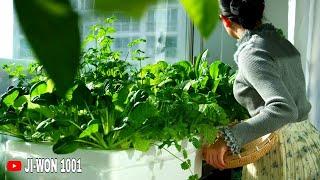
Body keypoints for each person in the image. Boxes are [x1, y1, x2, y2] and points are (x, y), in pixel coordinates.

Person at [203, 0, 320, 179]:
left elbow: (284, 110)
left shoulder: (252, 53)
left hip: (278, 150)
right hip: (306, 143)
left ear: (225, 21)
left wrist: (229, 138)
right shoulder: (281, 42)